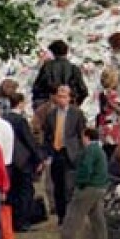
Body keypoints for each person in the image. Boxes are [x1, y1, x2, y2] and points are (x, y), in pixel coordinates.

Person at [43, 85, 86, 226]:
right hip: (56, 153)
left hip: (71, 153)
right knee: (58, 186)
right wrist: (47, 154)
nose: (61, 99)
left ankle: (70, 216)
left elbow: (81, 134)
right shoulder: (50, 115)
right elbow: (47, 136)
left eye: (64, 96)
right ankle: (61, 215)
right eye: (59, 96)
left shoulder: (76, 114)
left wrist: (80, 152)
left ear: (69, 98)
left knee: (69, 186)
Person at [3, 94, 43, 232]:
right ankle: (23, 221)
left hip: (9, 159)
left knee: (12, 191)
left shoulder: (5, 118)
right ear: (20, 103)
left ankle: (12, 220)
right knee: (26, 191)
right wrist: (39, 157)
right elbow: (29, 141)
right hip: (22, 160)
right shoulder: (20, 121)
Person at [60, 128, 108, 239]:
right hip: (100, 187)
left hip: (89, 187)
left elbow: (86, 168)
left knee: (73, 218)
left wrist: (79, 183)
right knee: (97, 219)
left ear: (86, 137)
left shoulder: (90, 150)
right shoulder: (100, 150)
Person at [32, 40, 89, 108]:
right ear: (66, 52)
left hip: (50, 107)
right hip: (68, 108)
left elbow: (36, 88)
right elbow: (83, 91)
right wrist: (74, 104)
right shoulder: (74, 68)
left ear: (53, 52)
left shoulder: (47, 67)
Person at [95, 66, 120, 159]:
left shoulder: (101, 93)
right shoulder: (113, 94)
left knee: (106, 150)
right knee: (113, 152)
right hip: (112, 127)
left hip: (103, 125)